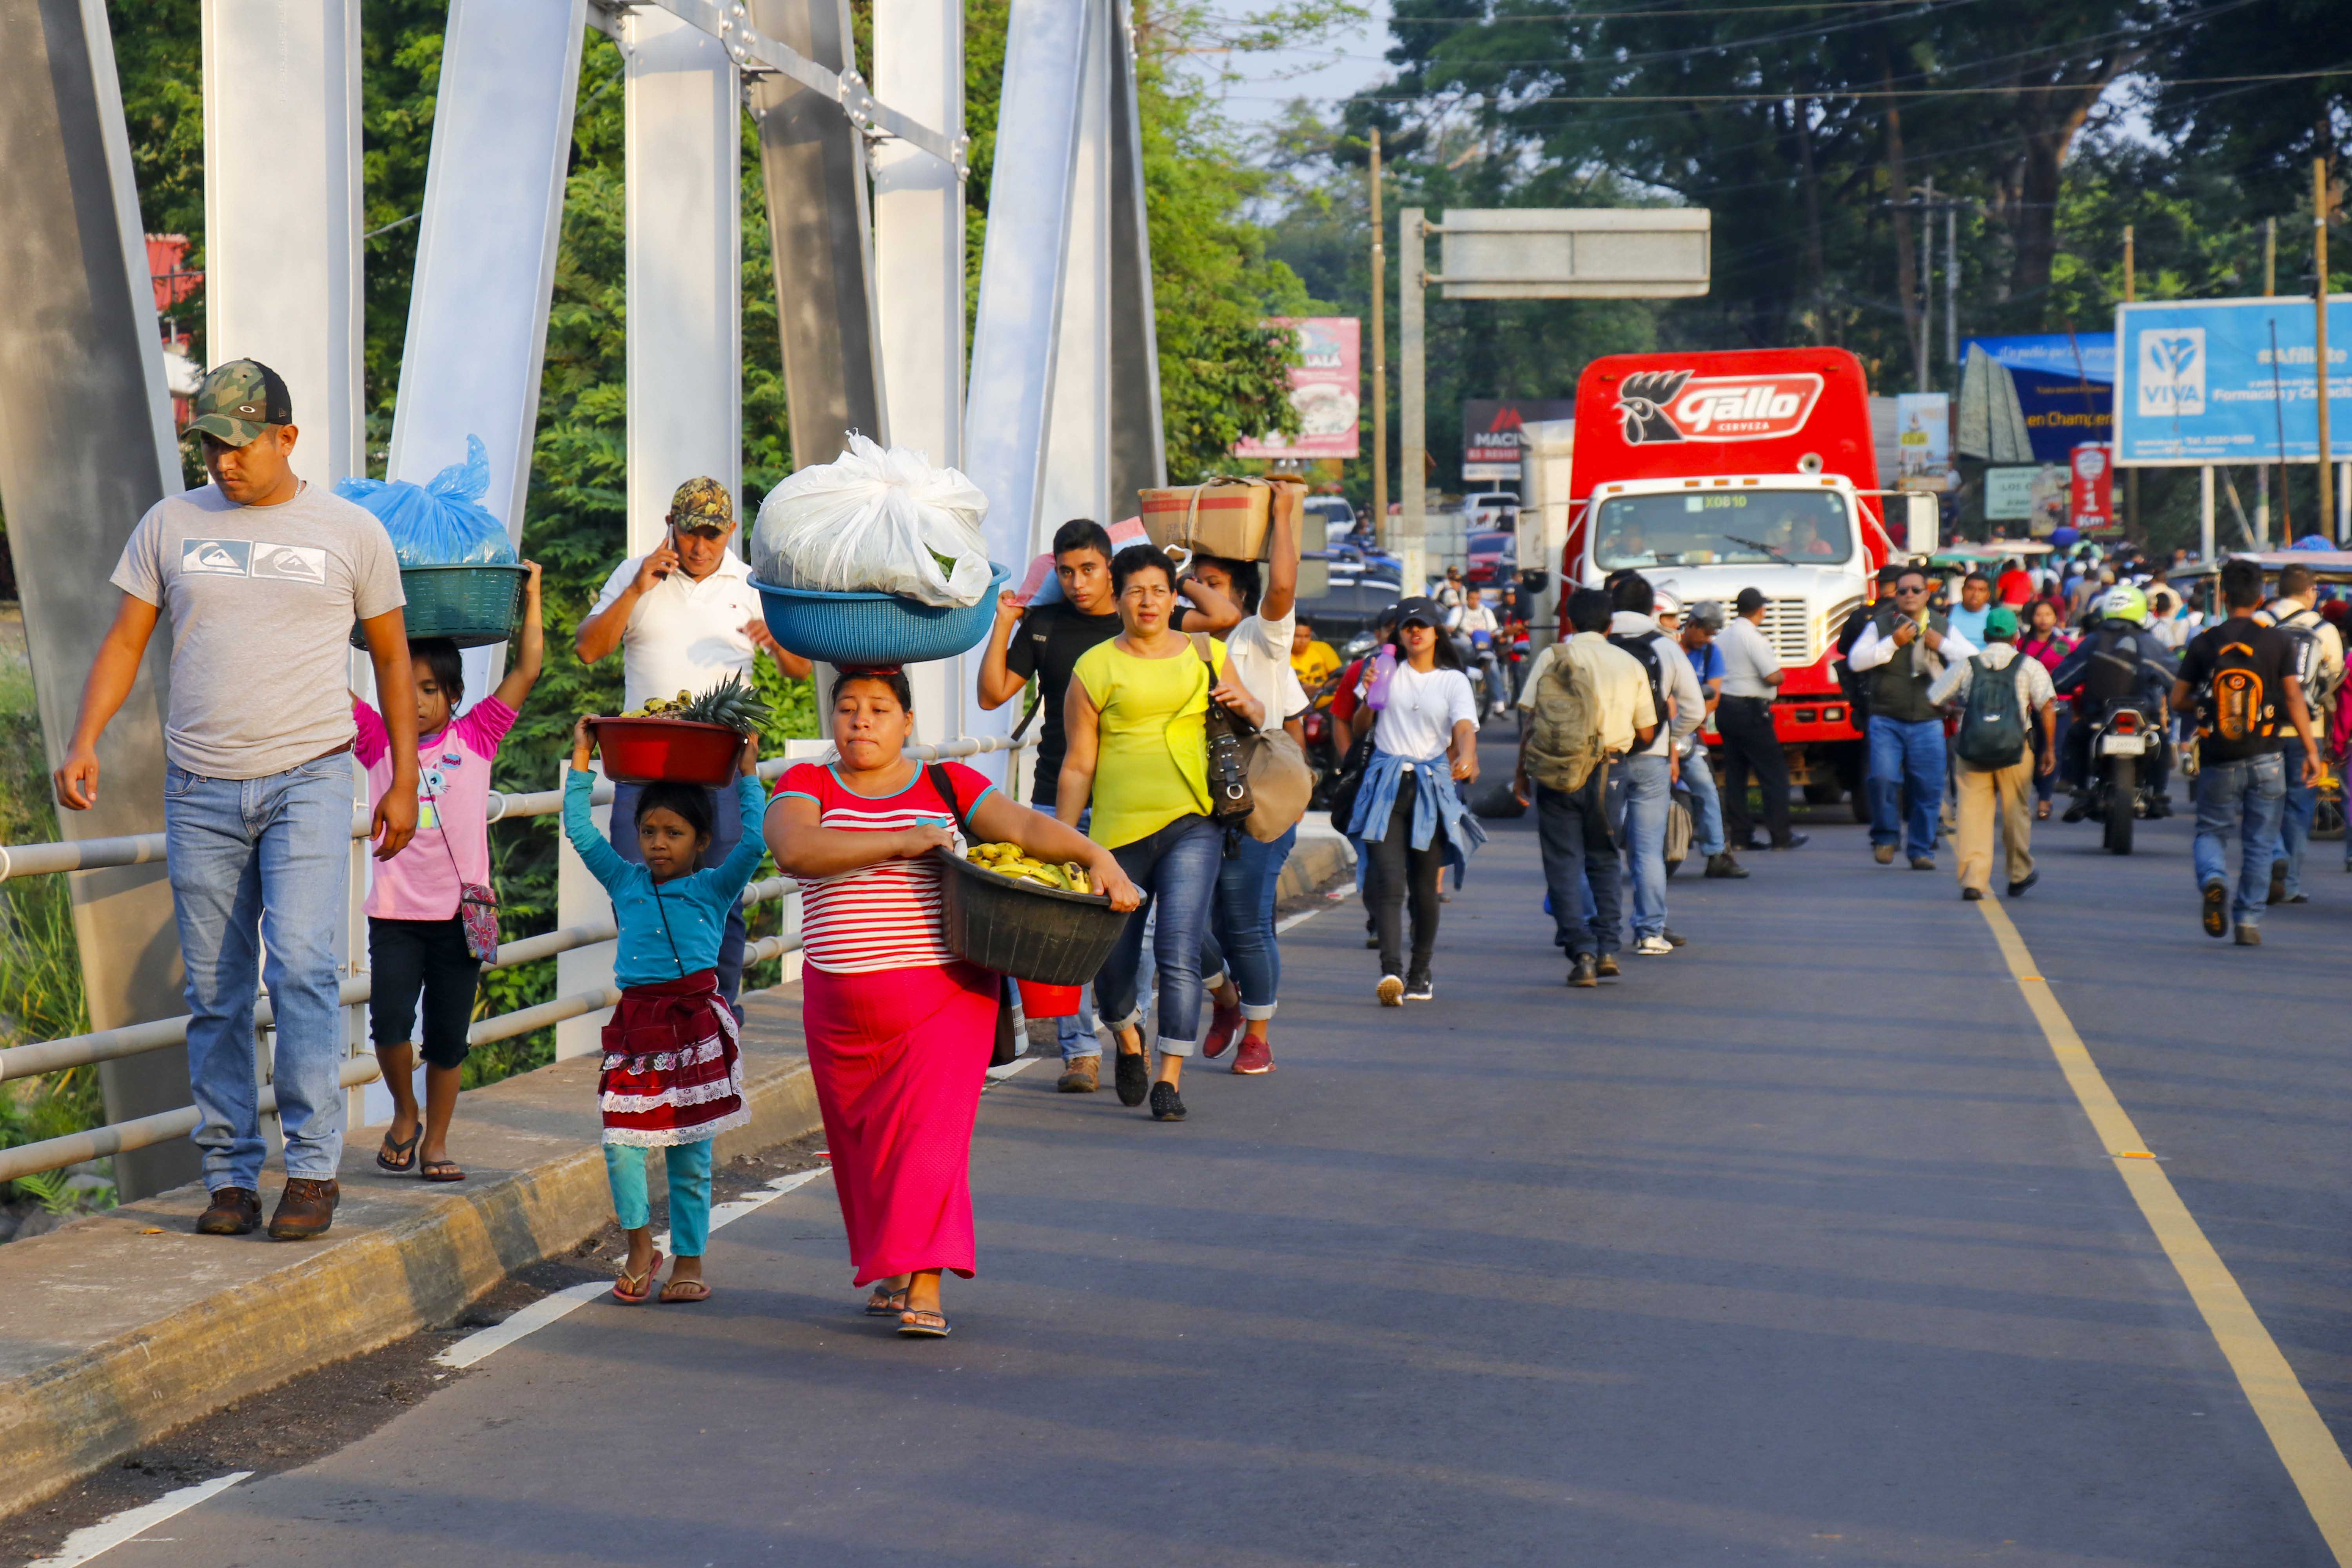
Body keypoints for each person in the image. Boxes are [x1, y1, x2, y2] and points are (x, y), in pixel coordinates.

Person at [53, 360, 415, 1241]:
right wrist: (84, 736)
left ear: (285, 437)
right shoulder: (170, 522)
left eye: (238, 442)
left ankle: (315, 1170)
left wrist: (402, 779)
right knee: (216, 991)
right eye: (210, 443)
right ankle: (229, 1175)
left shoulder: (352, 531)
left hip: (312, 774)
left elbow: (395, 660)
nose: (223, 460)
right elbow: (126, 639)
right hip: (201, 786)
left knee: (301, 967)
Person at [765, 669, 1138, 1337]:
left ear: (908, 722)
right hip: (838, 1004)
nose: (861, 721)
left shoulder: (944, 784)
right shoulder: (807, 784)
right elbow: (795, 849)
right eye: (847, 708)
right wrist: (905, 841)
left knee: (931, 1138)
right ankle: (896, 1264)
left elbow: (1023, 826)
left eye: (879, 709)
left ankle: (927, 1284)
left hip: (945, 996)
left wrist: (1095, 854)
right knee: (865, 1145)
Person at [574, 477, 811, 1016]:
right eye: (689, 533)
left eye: (712, 534)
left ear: (731, 531)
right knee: (637, 892)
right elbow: (589, 649)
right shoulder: (637, 575)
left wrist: (776, 642)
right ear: (670, 527)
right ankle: (649, 1007)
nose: (700, 548)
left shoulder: (751, 582)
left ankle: (717, 1012)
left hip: (721, 768)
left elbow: (800, 670)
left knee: (722, 896)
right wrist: (636, 589)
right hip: (644, 765)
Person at [564, 717, 763, 1306]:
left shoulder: (713, 888)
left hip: (695, 1027)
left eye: (673, 833)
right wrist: (583, 759)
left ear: (701, 842)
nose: (657, 843)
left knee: (689, 1150)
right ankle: (639, 1246)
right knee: (622, 1143)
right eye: (649, 830)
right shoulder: (623, 880)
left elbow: (753, 843)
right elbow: (579, 828)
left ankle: (690, 1261)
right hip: (637, 1029)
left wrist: (748, 776)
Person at [1058, 546, 1260, 1122]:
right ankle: (1128, 1040)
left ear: (1175, 597)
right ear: (1117, 600)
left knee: (1177, 949)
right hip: (1118, 834)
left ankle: (1170, 1076)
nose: (1148, 601)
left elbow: (1254, 714)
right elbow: (1077, 765)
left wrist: (1247, 702)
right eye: (1135, 591)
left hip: (1192, 820)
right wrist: (1063, 844)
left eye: (1158, 590)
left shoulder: (1208, 653)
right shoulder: (1095, 667)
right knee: (1113, 968)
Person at [356, 565, 544, 1184]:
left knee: (447, 1037)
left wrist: (532, 595)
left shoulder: (479, 736)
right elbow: (325, 688)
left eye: (431, 689)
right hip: (395, 912)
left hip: (464, 915)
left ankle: (436, 1142)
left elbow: (527, 671)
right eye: (404, 688)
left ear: (454, 696)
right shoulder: (378, 739)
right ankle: (405, 1114)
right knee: (388, 1024)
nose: (416, 700)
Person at [977, 519, 1123, 1089]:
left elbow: (1218, 621)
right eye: (1066, 571)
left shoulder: (1135, 620)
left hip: (1132, 800)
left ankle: (1146, 1013)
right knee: (1066, 924)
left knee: (1139, 926)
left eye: (1089, 569)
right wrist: (1004, 625)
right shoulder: (1046, 626)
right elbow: (992, 694)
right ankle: (1081, 1052)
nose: (1078, 582)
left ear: (1111, 566)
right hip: (1054, 794)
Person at [1185, 486, 1310, 1077]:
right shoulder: (1176, 642)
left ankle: (1257, 1033)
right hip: (1190, 798)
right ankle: (1225, 1000)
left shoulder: (1261, 636)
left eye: (1211, 580)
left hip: (1256, 802)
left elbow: (1282, 587)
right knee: (1180, 924)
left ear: (1239, 595)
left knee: (1246, 924)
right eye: (1194, 579)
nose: (1197, 587)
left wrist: (1283, 514)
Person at [2172, 557, 2323, 945]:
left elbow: (2178, 700)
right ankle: (2248, 920)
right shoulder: (2277, 642)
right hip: (2269, 757)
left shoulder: (2205, 642)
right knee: (2260, 839)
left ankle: (2214, 879)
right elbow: (2293, 696)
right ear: (2261, 598)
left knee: (2211, 830)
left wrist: (2210, 707)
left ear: (2223, 597)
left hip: (2220, 757)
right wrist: (2311, 751)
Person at [1348, 595, 1485, 1004]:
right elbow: (1360, 727)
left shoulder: (1452, 680)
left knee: (1425, 889)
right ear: (1399, 633)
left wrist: (1467, 753)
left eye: (1423, 625)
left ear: (1436, 631)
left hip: (1431, 786)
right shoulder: (1383, 669)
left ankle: (1420, 970)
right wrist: (1368, 694)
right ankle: (1391, 972)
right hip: (1387, 785)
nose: (1415, 631)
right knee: (1388, 882)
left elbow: (1464, 727)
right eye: (1408, 625)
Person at [1516, 589, 1655, 987]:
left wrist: (1521, 773)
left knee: (1563, 863)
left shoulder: (1554, 656)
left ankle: (1582, 952)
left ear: (1570, 622)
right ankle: (1609, 946)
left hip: (1558, 772)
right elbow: (1646, 729)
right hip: (1609, 770)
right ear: (1610, 624)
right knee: (1605, 858)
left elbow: (1532, 721)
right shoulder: (1629, 663)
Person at [1849, 567, 1976, 870]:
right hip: (1886, 719)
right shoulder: (1881, 624)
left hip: (1928, 720)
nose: (1908, 595)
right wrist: (1892, 643)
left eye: (1915, 590)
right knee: (1882, 779)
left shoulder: (1942, 625)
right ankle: (1886, 837)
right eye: (1903, 591)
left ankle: (1920, 849)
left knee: (1929, 787)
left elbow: (1973, 661)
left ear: (1927, 594)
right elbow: (1856, 661)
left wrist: (1941, 645)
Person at [1928, 607, 2055, 901]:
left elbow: (1935, 697)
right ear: (2015, 635)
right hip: (2016, 749)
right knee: (2015, 811)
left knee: (1972, 814)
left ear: (1985, 635)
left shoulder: (1968, 664)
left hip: (1973, 749)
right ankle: (2019, 873)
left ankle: (1974, 880)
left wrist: (1952, 711)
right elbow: (2047, 706)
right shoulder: (2029, 665)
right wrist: (2049, 749)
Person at [1608, 575, 1704, 956]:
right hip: (1651, 756)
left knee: (1597, 846)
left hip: (1604, 757)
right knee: (1648, 848)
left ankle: (1592, 932)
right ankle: (1650, 931)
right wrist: (1667, 734)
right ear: (1652, 608)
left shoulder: (1595, 643)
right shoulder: (1665, 645)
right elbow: (1695, 709)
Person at [2051, 586, 2179, 820]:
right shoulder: (2150, 644)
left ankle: (2080, 792)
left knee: (2076, 736)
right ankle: (2159, 796)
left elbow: (2064, 678)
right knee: (2162, 739)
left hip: (2099, 715)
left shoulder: (2093, 641)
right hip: (2144, 716)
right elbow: (2176, 677)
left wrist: (2054, 688)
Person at [2258, 563, 2344, 905]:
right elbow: (2333, 678)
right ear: (2311, 592)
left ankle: (2267, 864)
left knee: (2263, 800)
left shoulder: (2261, 623)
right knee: (2299, 806)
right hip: (2307, 731)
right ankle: (2290, 882)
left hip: (2263, 729)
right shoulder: (2325, 630)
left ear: (2278, 590)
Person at [1716, 586, 1807, 853]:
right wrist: (1781, 677)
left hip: (1726, 708)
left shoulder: (1725, 636)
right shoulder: (1753, 638)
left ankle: (1741, 836)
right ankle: (1781, 836)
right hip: (1751, 710)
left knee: (1736, 775)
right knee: (1774, 774)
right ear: (1760, 610)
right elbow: (1771, 676)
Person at [1677, 600, 1741, 878]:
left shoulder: (1711, 653)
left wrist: (1694, 717)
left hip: (1688, 733)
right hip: (1658, 730)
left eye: (1713, 634)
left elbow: (1712, 695)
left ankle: (1717, 853)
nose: (1708, 639)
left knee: (1707, 787)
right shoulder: (1669, 650)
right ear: (1690, 625)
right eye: (1705, 632)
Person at [2016, 599, 2073, 820]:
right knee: (2030, 751)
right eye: (2039, 615)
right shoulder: (2021, 644)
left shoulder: (2064, 644)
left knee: (2052, 751)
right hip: (2027, 706)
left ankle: (2045, 799)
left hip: (2058, 706)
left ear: (2055, 618)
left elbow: (2076, 670)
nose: (2043, 619)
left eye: (2048, 615)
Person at [1945, 572, 1993, 646]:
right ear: (1962, 591)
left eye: (1981, 590)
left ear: (1988, 595)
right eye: (1971, 589)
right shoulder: (1948, 612)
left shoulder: (1994, 616)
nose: (1975, 595)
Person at [1291, 621, 1341, 691]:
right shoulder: (1282, 655)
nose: (1303, 641)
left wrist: (1322, 690)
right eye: (1298, 636)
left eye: (1307, 636)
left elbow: (1339, 675)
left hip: (1325, 696)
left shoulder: (1322, 648)